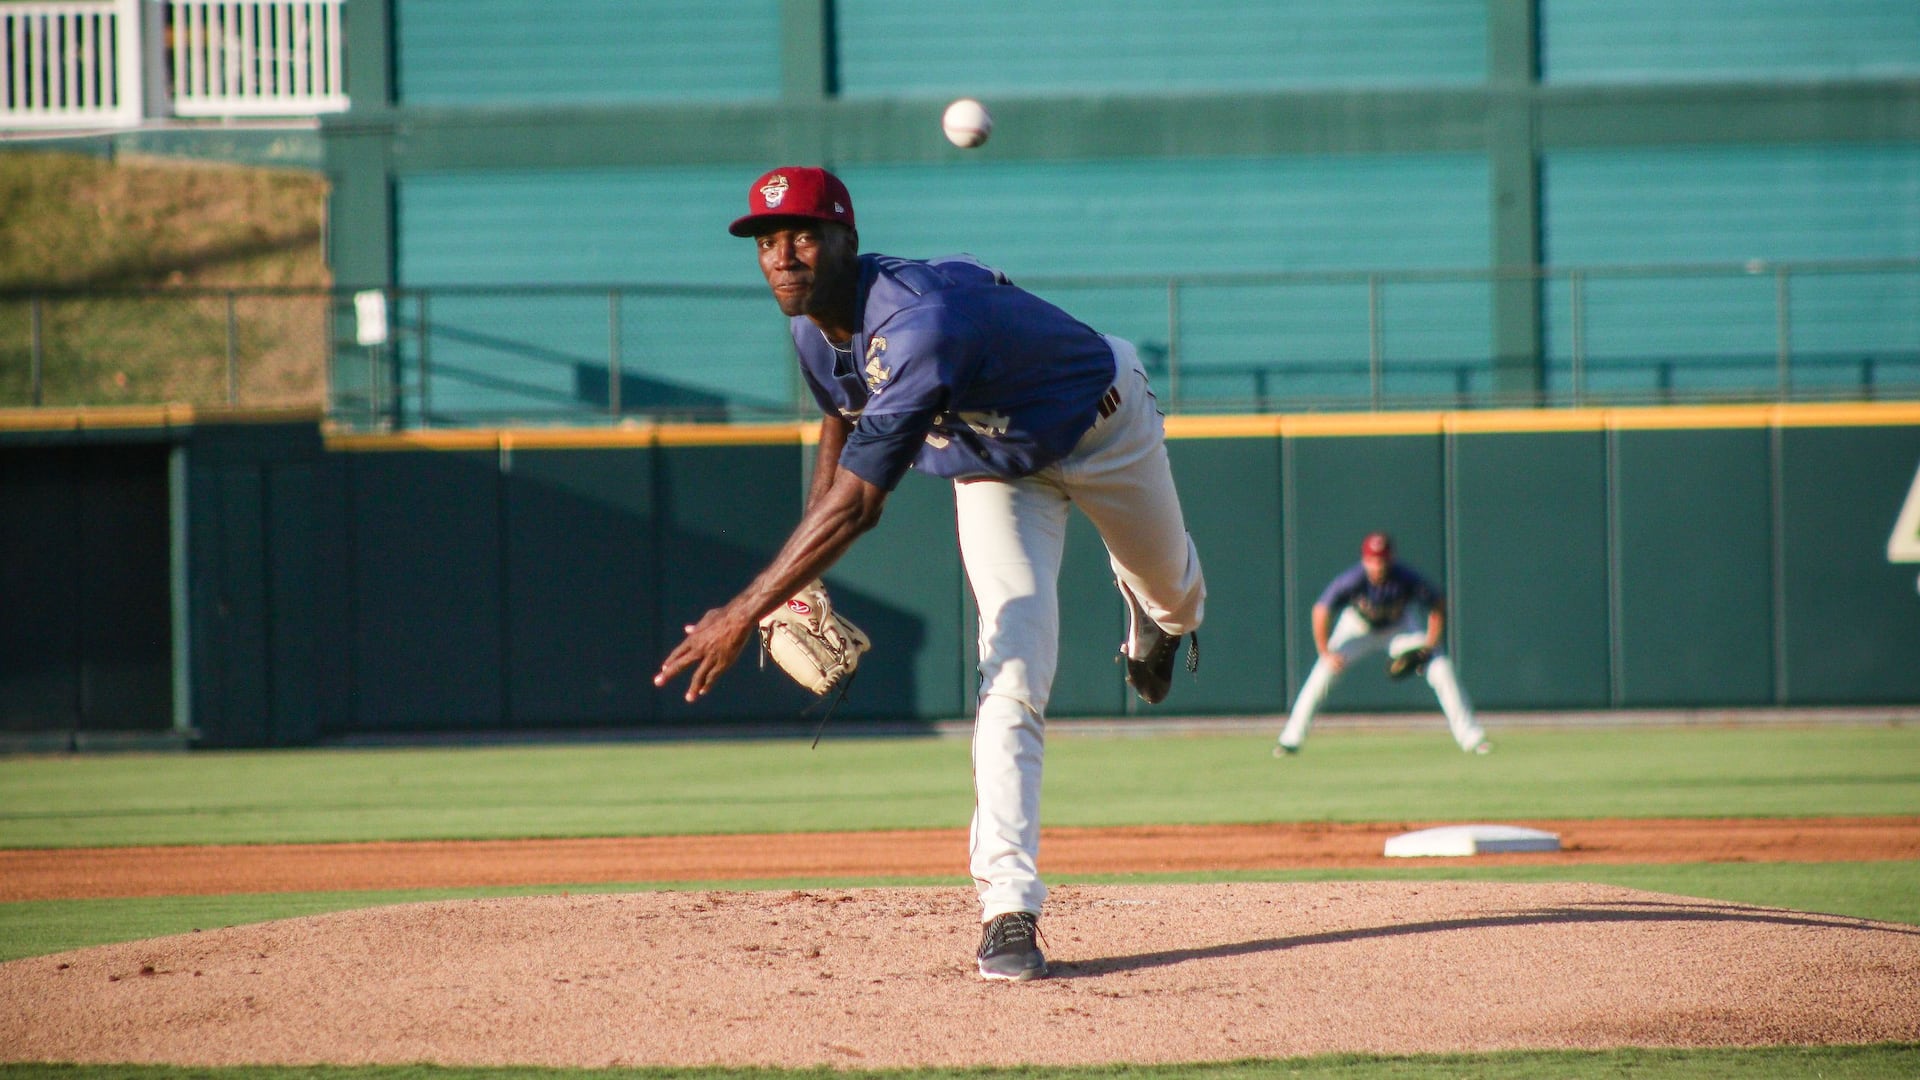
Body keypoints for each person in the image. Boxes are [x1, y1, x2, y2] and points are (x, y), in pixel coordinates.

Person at [653, 166, 1206, 982]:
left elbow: (860, 508)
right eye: (767, 242)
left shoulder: (919, 325)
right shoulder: (813, 325)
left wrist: (744, 610)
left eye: (803, 235)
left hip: (1102, 425)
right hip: (996, 470)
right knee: (1012, 664)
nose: (782, 257)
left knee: (1177, 592)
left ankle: (1156, 615)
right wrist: (799, 580)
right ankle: (1007, 909)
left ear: (848, 239)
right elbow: (841, 431)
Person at [1275, 532, 1488, 756]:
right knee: (1323, 671)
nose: (1378, 564)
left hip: (1400, 627)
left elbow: (1437, 603)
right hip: (1357, 626)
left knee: (1440, 667)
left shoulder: (1405, 577)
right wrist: (1324, 651)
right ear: (1364, 559)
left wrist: (1429, 645)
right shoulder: (1352, 579)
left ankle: (1471, 737)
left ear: (1391, 558)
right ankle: (1290, 739)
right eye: (1373, 559)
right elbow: (1321, 610)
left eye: (1382, 559)